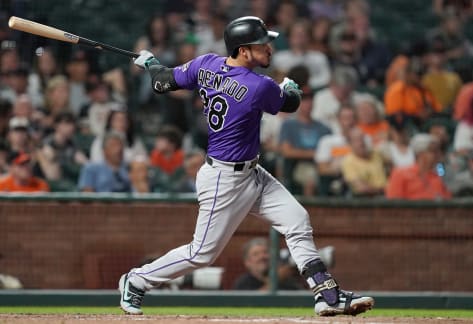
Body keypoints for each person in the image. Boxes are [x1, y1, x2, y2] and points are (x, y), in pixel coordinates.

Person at [119, 16, 373, 317]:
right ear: (243, 50)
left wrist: (150, 64)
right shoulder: (258, 86)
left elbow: (163, 82)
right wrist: (290, 87)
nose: (269, 48)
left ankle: (327, 294)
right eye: (262, 44)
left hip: (250, 172)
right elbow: (290, 103)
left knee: (296, 219)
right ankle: (136, 280)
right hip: (224, 180)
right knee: (201, 254)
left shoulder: (206, 64)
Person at [385, 133, 451, 200]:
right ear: (420, 153)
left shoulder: (438, 175)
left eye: (438, 151)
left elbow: (447, 201)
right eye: (433, 151)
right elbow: (393, 204)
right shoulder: (400, 173)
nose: (438, 155)